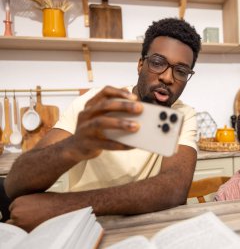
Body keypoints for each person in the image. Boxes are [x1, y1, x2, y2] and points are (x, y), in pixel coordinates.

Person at [4, 18, 201, 231]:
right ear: (140, 64)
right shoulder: (96, 104)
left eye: (181, 71)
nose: (167, 77)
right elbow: (15, 183)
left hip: (144, 229)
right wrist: (77, 145)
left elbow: (173, 188)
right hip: (85, 229)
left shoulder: (184, 115)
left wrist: (61, 206)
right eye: (157, 62)